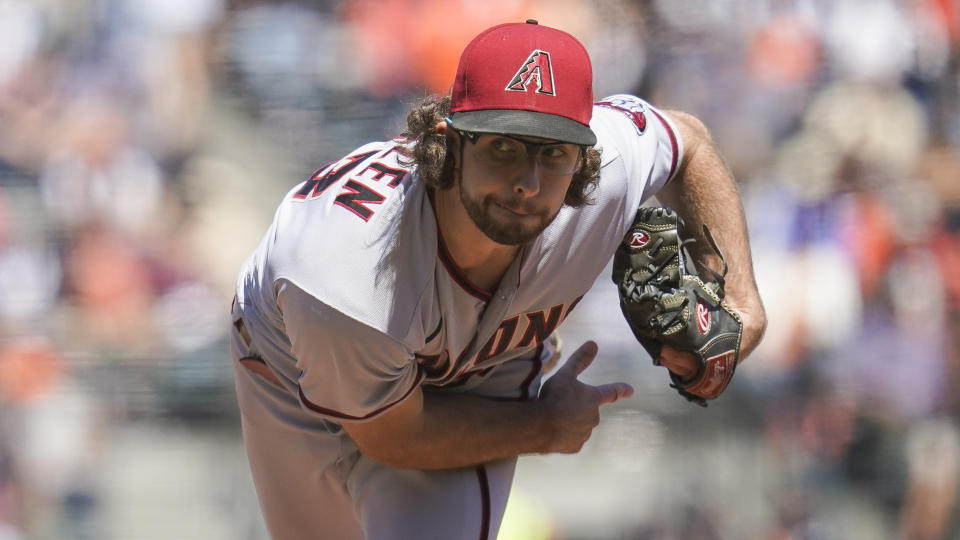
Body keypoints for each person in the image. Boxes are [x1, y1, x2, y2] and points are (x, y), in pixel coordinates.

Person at [230, 20, 766, 540]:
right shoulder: (345, 271)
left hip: (482, 366)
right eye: (503, 147)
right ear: (449, 141)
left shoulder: (611, 170)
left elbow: (687, 141)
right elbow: (394, 438)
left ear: (584, 158)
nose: (528, 184)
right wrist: (546, 426)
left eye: (553, 153)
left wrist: (742, 305)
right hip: (293, 363)